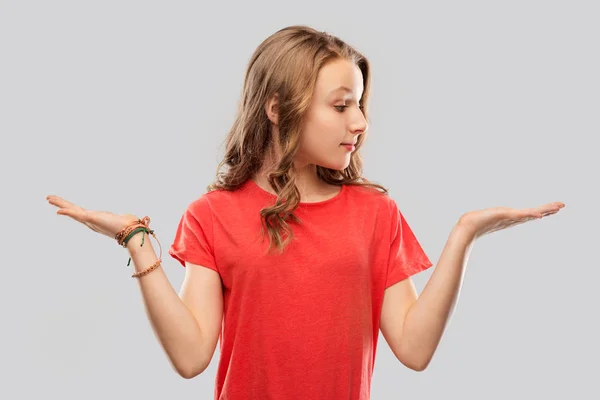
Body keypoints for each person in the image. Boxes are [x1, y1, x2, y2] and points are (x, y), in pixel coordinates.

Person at [46, 25, 565, 400]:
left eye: (360, 104)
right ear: (277, 108)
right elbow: (190, 357)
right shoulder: (211, 214)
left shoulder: (376, 214)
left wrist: (464, 235)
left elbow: (414, 347)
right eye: (340, 105)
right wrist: (137, 239)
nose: (359, 121)